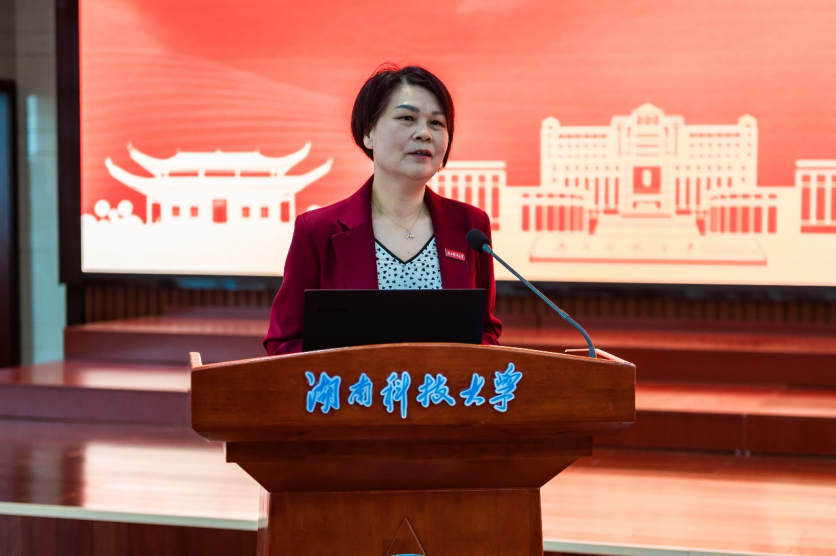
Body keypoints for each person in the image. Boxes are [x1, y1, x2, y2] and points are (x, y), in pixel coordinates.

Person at [263, 64, 502, 355]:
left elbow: (484, 331)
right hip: (353, 385)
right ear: (368, 133)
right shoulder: (318, 231)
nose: (424, 133)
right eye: (407, 118)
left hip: (442, 385)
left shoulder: (470, 226)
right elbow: (284, 342)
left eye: (437, 123)